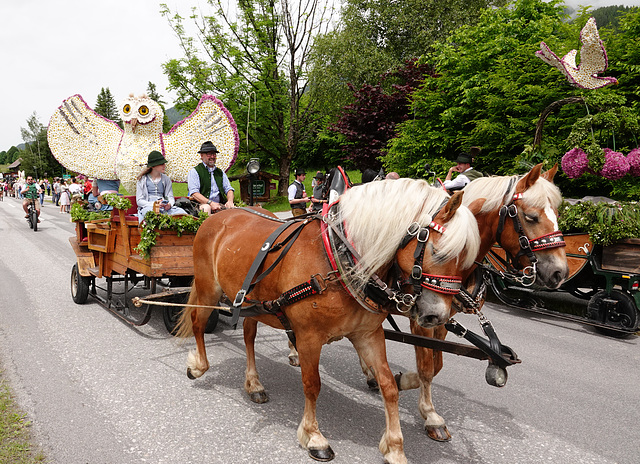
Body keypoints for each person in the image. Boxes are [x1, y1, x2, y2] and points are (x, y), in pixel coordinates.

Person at [136, 150, 186, 223]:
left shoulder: (166, 179)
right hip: (149, 207)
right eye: (161, 164)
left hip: (164, 207)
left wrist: (169, 204)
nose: (164, 166)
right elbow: (139, 201)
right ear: (153, 166)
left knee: (182, 213)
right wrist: (154, 204)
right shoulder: (142, 180)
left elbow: (170, 197)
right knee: (151, 215)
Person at [187, 141, 235, 214]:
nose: (212, 157)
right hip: (200, 205)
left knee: (237, 212)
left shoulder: (220, 172)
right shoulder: (195, 171)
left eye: (214, 154)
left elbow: (229, 189)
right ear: (202, 156)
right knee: (207, 208)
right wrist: (210, 203)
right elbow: (194, 193)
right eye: (209, 154)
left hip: (219, 204)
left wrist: (230, 201)